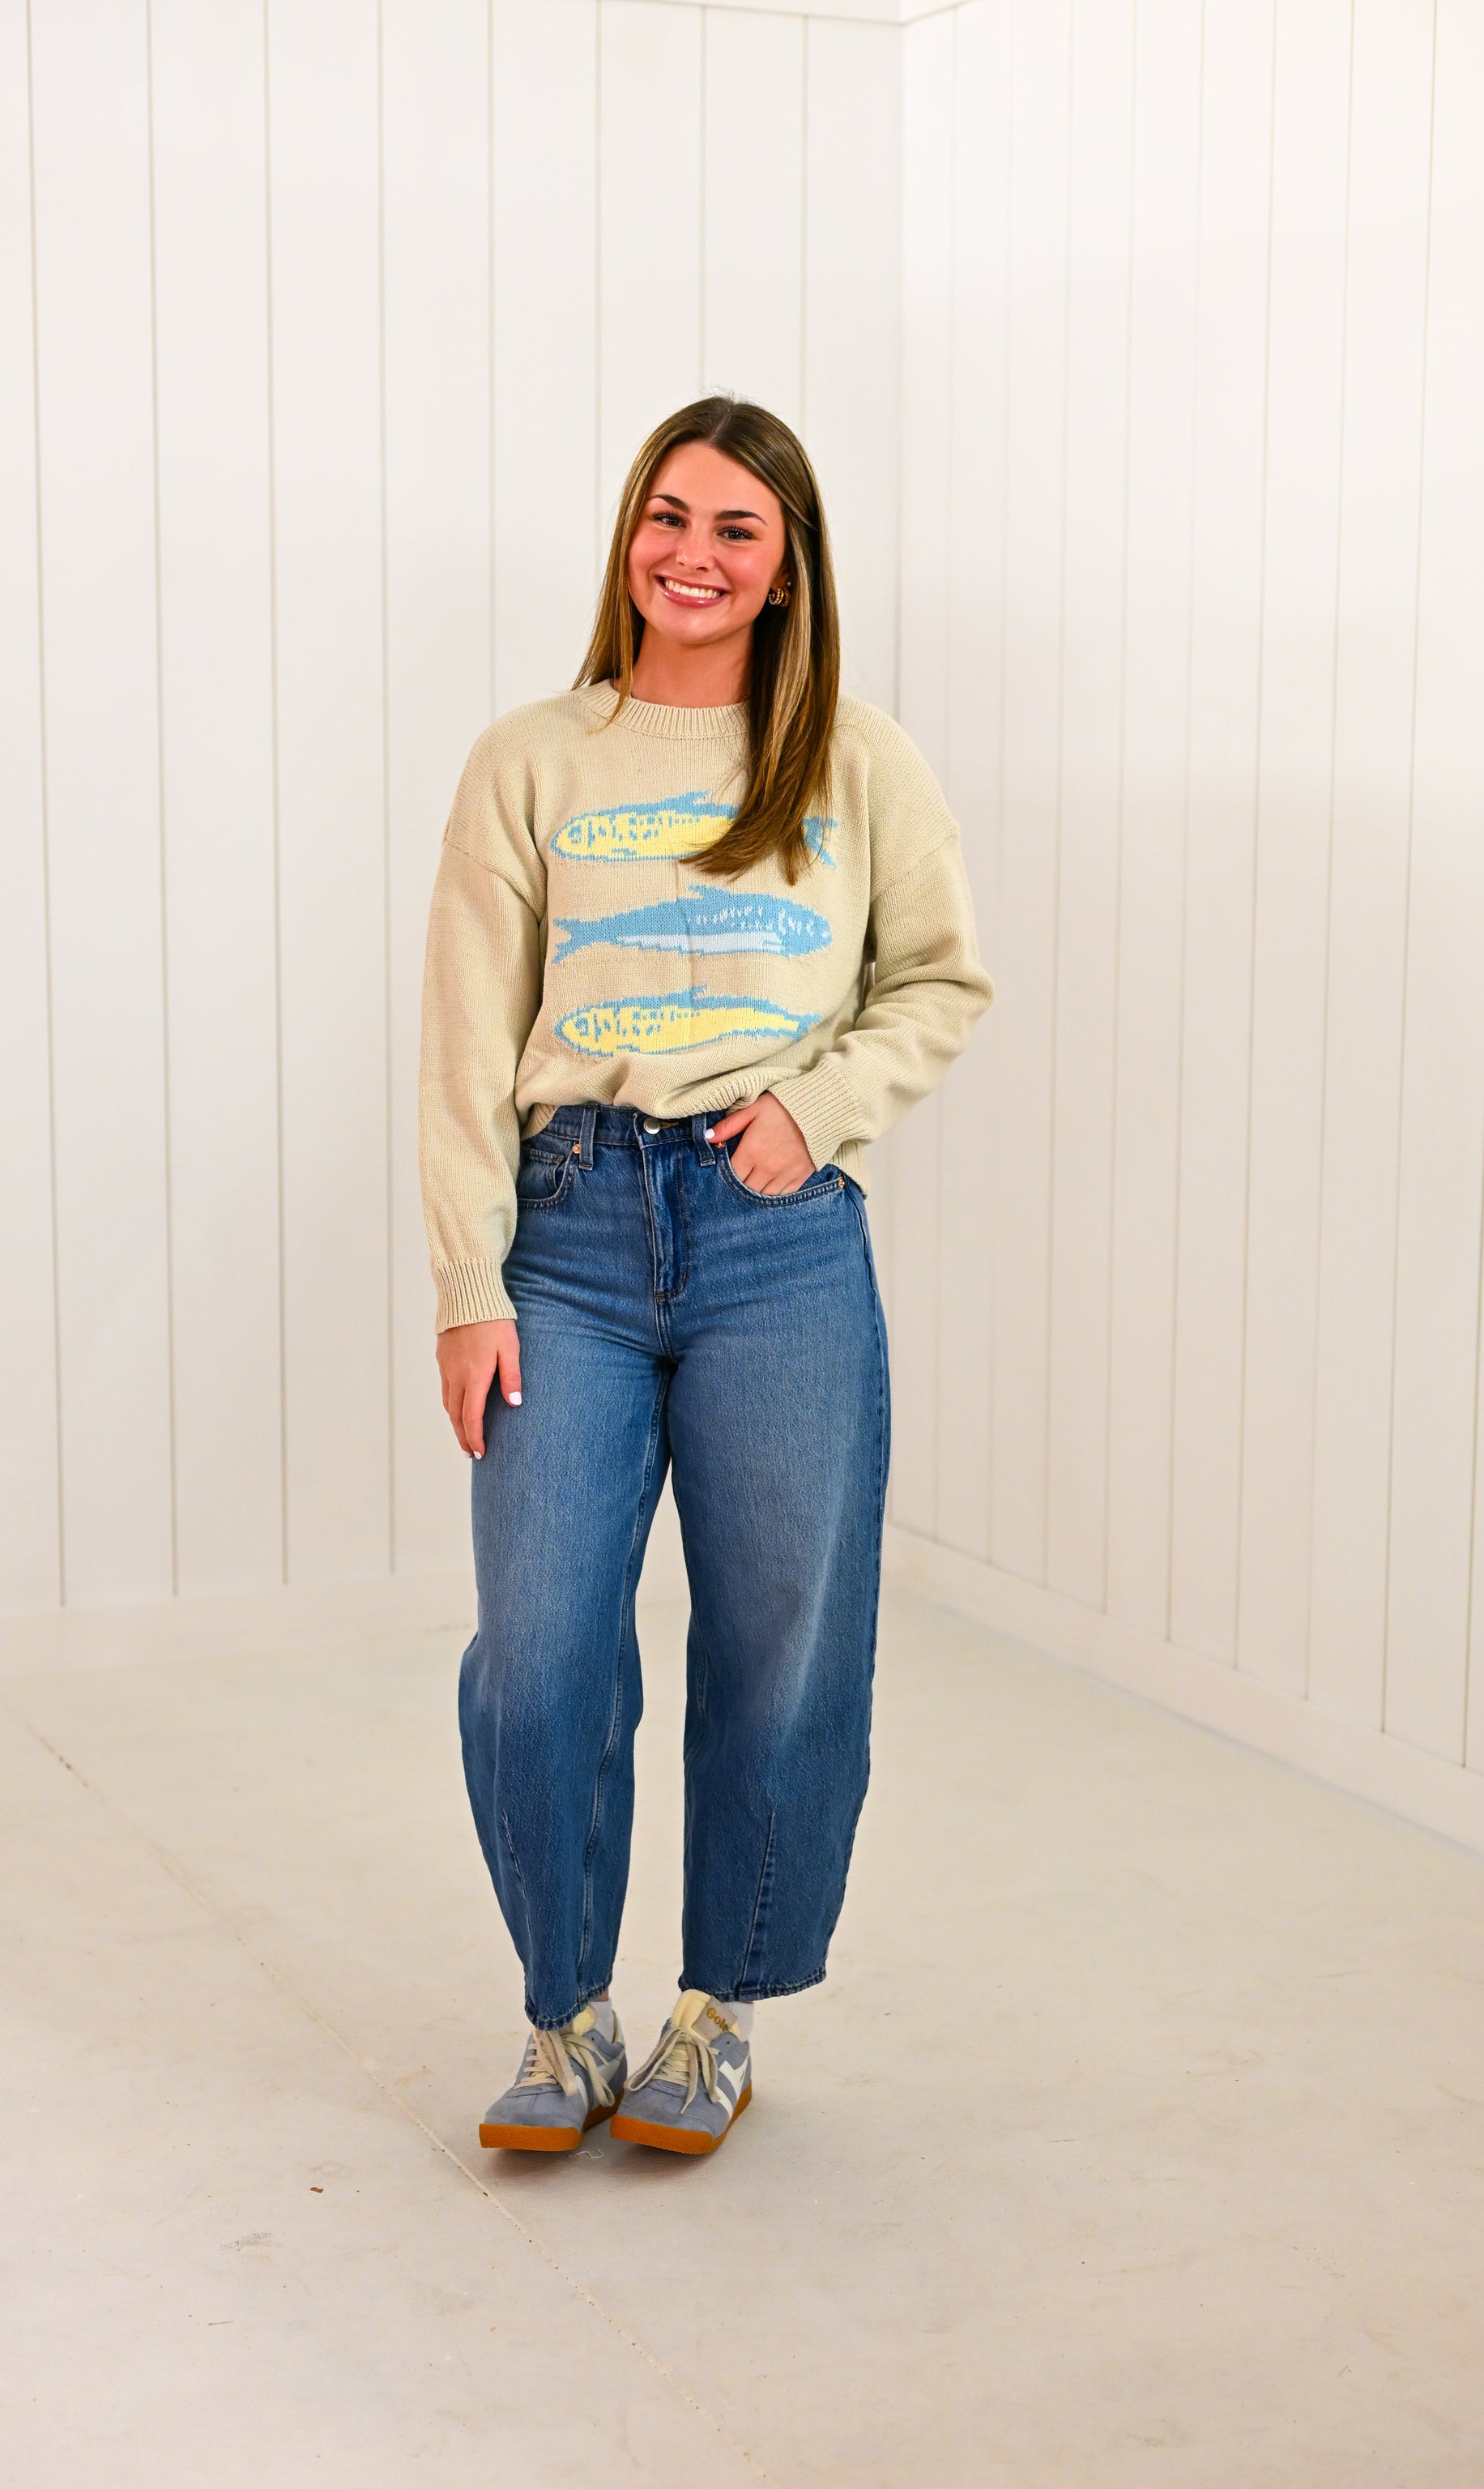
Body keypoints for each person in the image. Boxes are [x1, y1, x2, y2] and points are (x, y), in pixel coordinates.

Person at [418, 395, 991, 2158]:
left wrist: (817, 1111)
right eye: (668, 515)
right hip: (570, 1234)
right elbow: (465, 1040)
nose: (693, 553)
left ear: (788, 565)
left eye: (738, 528)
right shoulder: (532, 757)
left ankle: (715, 2012)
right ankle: (564, 2015)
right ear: (628, 533)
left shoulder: (859, 763)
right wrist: (467, 1280)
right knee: (538, 1649)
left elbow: (940, 981)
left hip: (775, 1242)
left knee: (782, 1635)